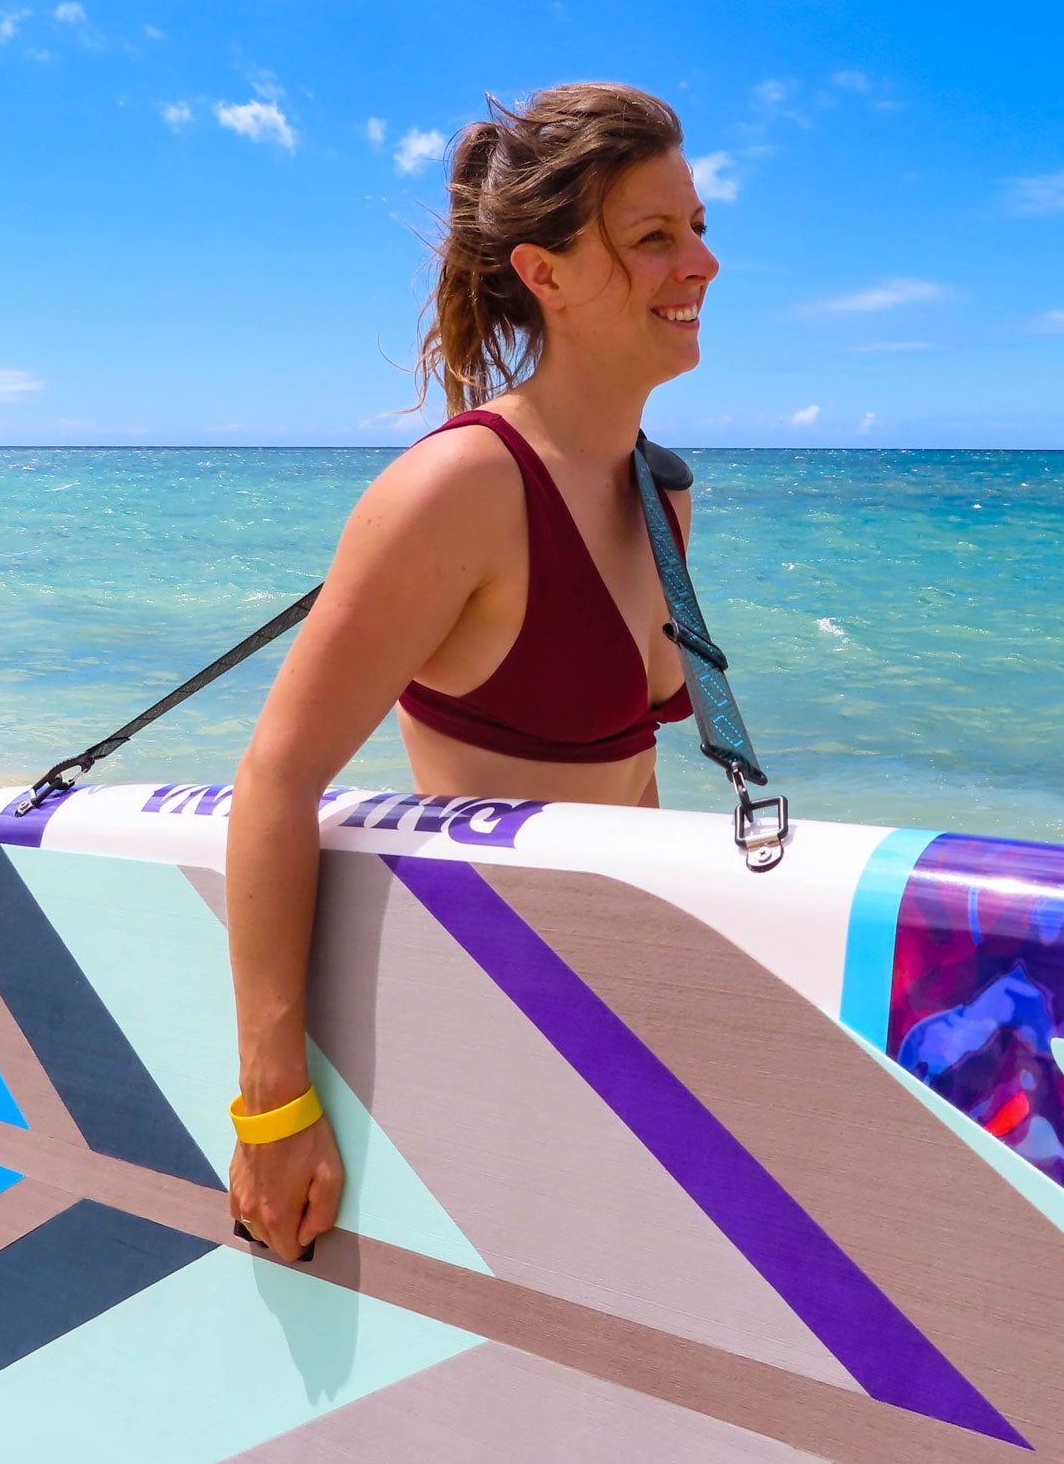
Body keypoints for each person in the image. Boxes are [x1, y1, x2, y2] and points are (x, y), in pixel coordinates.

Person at [224, 83, 718, 1263]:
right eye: (653, 238)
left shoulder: (663, 493)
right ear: (543, 272)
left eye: (698, 228)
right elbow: (276, 781)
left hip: (605, 1027)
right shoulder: (459, 489)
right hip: (477, 1023)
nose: (698, 262)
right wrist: (275, 1106)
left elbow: (633, 786)